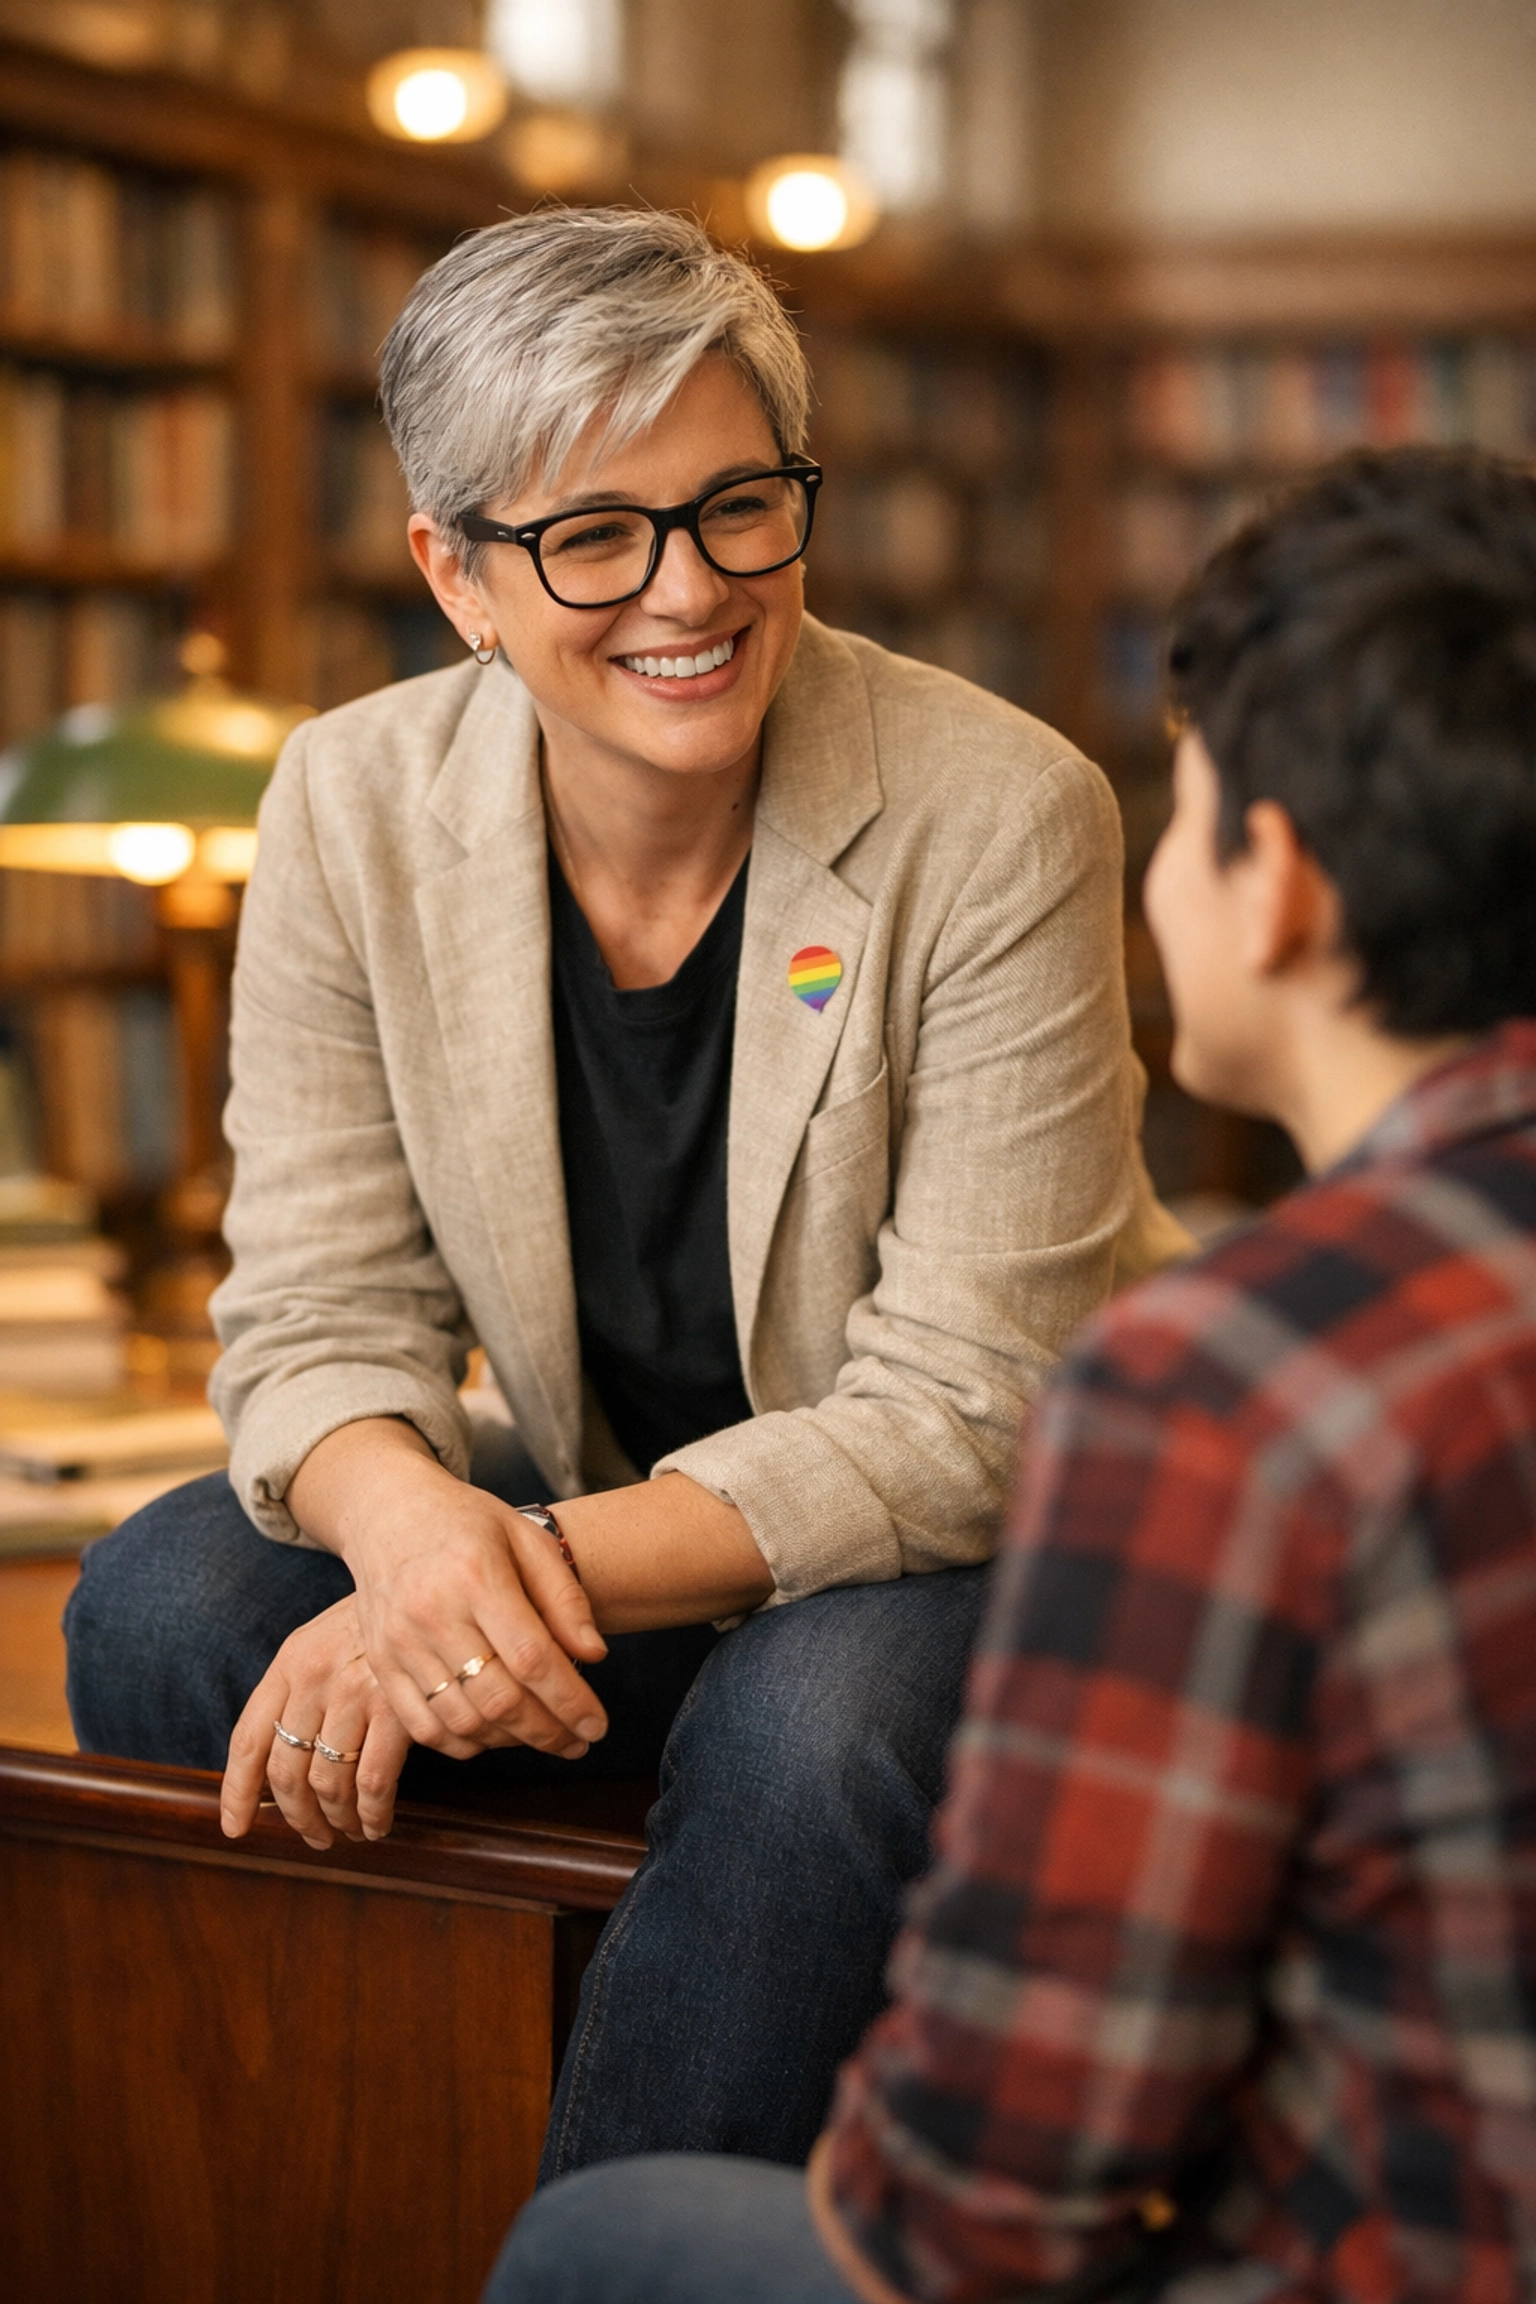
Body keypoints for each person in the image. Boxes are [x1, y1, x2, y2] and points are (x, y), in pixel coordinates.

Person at [63, 206, 1178, 2177]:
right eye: (596, 535)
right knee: (168, 1599)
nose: (691, 588)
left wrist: (488, 1578)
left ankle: (610, 2248)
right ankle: (338, 2195)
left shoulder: (1000, 813)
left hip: (949, 1550)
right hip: (602, 1497)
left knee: (813, 1727)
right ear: (457, 574)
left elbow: (970, 1413)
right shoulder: (347, 800)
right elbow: (317, 1317)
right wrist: (413, 1535)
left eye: (740, 507)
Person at [486, 445, 1536, 2302]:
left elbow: (982, 2202)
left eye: (1184, 807)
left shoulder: (1229, 1390)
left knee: (605, 2242)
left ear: (1277, 888)